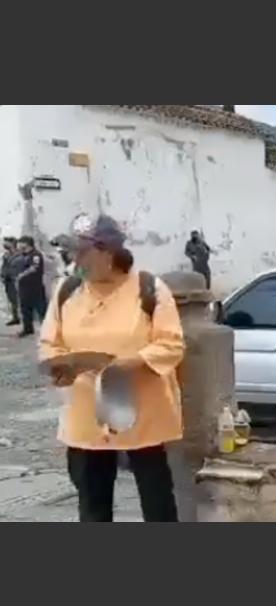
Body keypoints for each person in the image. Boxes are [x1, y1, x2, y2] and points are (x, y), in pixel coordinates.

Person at [39, 215, 185, 522]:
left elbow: (171, 344)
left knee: (157, 502)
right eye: (71, 252)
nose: (74, 259)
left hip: (143, 413)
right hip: (86, 413)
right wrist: (60, 364)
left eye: (82, 252)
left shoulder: (149, 288)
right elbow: (50, 342)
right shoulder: (67, 290)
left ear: (109, 252)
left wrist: (123, 364)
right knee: (92, 505)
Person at [15, 236, 48, 338]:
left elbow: (34, 268)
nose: (18, 245)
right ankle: (27, 329)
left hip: (35, 287)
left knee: (41, 309)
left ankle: (48, 331)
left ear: (27, 243)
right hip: (24, 287)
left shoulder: (36, 255)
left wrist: (22, 275)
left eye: (20, 243)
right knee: (25, 309)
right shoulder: (23, 255)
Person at [2, 237, 21, 326]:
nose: (4, 244)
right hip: (8, 280)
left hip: (16, 279)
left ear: (12, 243)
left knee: (19, 299)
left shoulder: (19, 254)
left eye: (7, 243)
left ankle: (23, 318)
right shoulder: (6, 255)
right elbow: (4, 267)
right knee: (12, 299)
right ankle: (15, 317)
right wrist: (2, 275)